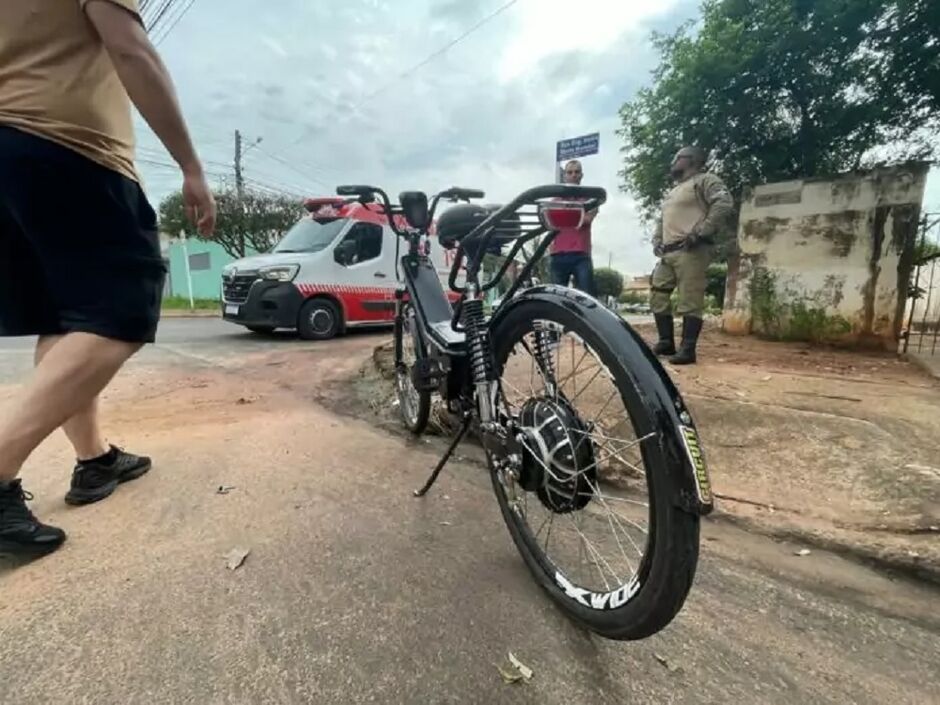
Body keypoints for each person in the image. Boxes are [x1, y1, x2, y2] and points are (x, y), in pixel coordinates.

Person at [0, 0, 216, 558]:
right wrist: (191, 167)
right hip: (70, 149)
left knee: (64, 317)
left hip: (10, 156)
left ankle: (94, 461)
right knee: (123, 307)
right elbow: (131, 49)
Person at [650, 146, 733, 365]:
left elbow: (723, 203)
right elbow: (662, 219)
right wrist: (657, 239)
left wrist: (702, 230)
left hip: (692, 250)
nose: (673, 161)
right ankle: (666, 341)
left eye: (678, 157)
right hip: (668, 252)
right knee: (658, 294)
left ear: (692, 160)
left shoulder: (706, 180)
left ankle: (688, 349)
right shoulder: (673, 190)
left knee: (690, 299)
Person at [550, 159, 599, 295]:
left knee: (586, 296)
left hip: (581, 253)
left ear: (581, 175)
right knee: (556, 298)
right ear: (565, 175)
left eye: (577, 172)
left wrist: (564, 215)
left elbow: (587, 219)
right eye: (569, 172)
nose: (573, 175)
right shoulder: (555, 201)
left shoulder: (591, 199)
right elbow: (550, 223)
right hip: (558, 254)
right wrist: (576, 215)